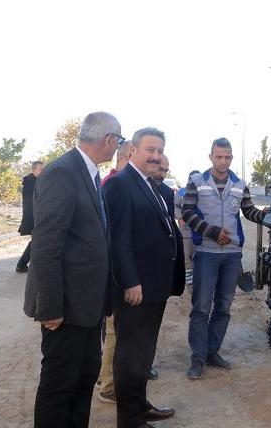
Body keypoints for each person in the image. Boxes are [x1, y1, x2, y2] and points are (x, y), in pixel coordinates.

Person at [23, 111, 122, 428]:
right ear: (109, 140)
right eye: (118, 140)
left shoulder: (87, 173)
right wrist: (50, 308)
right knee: (59, 388)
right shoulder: (63, 172)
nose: (117, 146)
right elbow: (46, 246)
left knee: (83, 382)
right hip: (64, 310)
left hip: (87, 307)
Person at [104, 127, 185, 428]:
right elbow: (118, 240)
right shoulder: (120, 185)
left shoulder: (150, 185)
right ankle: (129, 420)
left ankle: (140, 405)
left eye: (160, 151)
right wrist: (129, 281)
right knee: (129, 354)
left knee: (144, 351)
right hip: (136, 288)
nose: (156, 156)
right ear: (132, 151)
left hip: (155, 286)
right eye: (150, 149)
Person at [181, 137, 266, 380]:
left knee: (224, 306)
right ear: (210, 157)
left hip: (231, 255)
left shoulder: (240, 184)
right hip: (206, 254)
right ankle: (197, 358)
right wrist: (212, 232)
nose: (223, 161)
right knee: (201, 307)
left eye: (227, 157)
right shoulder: (197, 182)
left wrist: (265, 215)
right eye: (218, 156)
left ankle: (211, 352)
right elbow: (187, 212)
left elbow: (249, 211)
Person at [95, 140, 130, 404]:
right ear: (130, 155)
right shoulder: (115, 184)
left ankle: (106, 377)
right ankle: (108, 385)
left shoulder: (115, 182)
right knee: (115, 331)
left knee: (115, 332)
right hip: (115, 273)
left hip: (117, 271)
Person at [15, 160, 44, 273]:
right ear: (34, 170)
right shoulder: (30, 182)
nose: (43, 171)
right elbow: (32, 202)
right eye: (40, 169)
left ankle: (24, 264)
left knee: (36, 241)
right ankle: (22, 264)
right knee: (36, 241)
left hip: (35, 216)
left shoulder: (34, 180)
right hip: (33, 217)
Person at [175, 170, 201, 287]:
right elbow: (175, 206)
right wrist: (180, 217)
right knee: (187, 255)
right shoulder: (181, 192)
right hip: (186, 230)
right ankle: (189, 282)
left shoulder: (203, 192)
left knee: (200, 255)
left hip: (200, 229)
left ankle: (200, 279)